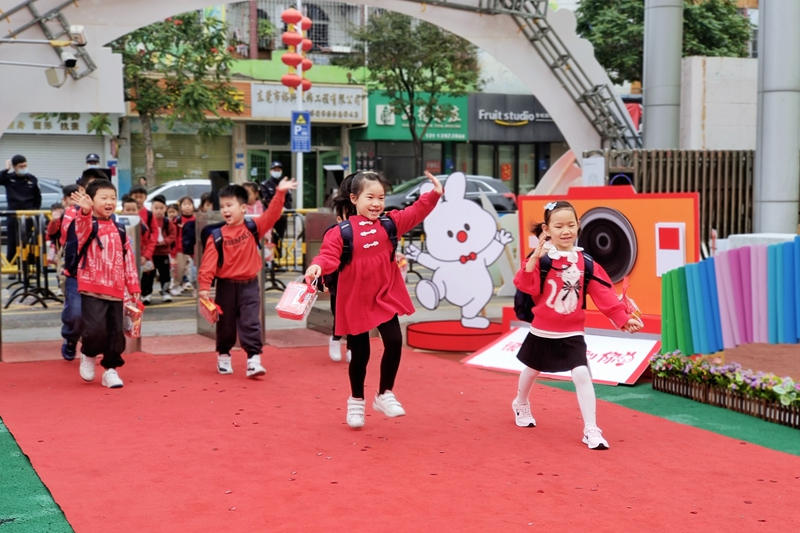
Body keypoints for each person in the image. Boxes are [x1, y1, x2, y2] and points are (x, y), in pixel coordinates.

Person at [305, 171, 443, 429]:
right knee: (360, 354)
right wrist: (317, 267)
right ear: (355, 199)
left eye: (381, 197)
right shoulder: (340, 232)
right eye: (370, 197)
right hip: (354, 300)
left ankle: (384, 394)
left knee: (394, 341)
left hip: (384, 296)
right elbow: (328, 256)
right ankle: (356, 401)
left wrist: (434, 194)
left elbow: (416, 211)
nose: (377, 203)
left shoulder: (390, 224)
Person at [511, 200, 643, 450]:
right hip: (542, 328)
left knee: (582, 373)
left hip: (572, 330)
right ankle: (521, 402)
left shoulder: (587, 263)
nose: (566, 230)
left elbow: (604, 294)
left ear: (579, 226)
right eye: (558, 225)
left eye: (571, 224)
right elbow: (526, 286)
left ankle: (591, 428)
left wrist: (624, 319)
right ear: (546, 229)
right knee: (532, 368)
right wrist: (533, 260)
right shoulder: (543, 260)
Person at [198, 179, 297, 378]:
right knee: (225, 324)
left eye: (230, 205)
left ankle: (254, 359)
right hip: (226, 286)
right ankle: (224, 356)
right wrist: (204, 287)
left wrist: (280, 193)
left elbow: (273, 214)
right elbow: (208, 263)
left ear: (243, 208)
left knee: (251, 321)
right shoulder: (216, 236)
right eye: (223, 206)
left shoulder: (254, 227)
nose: (225, 210)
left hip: (250, 285)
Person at [70, 181, 139, 388]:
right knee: (94, 330)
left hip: (117, 291)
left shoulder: (120, 228)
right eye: (104, 197)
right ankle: (89, 354)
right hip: (92, 289)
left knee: (115, 334)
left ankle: (111, 370)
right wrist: (84, 210)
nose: (109, 202)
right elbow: (80, 226)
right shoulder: (87, 225)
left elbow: (129, 259)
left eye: (112, 197)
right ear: (91, 200)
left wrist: (133, 287)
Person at [59, 169, 110, 361]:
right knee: (76, 314)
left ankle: (94, 350)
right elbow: (73, 235)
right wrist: (86, 213)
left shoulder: (109, 214)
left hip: (102, 275)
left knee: (102, 318)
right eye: (94, 187)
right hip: (77, 273)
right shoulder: (71, 213)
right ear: (82, 190)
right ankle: (71, 338)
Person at [1, 155, 42, 276]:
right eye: (21, 166)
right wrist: (6, 169)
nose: (24, 168)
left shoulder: (32, 179)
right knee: (13, 241)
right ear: (14, 167)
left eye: (25, 165)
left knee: (29, 242)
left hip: (29, 214)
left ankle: (30, 268)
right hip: (13, 214)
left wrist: (33, 211)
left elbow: (37, 198)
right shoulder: (8, 178)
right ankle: (12, 268)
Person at [140, 195, 174, 304]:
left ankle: (165, 292)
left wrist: (166, 241)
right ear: (152, 208)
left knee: (165, 274)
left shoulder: (167, 222)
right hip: (151, 253)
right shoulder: (149, 220)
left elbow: (173, 235)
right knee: (148, 274)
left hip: (163, 253)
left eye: (161, 208)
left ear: (165, 208)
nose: (159, 211)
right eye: (156, 208)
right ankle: (146, 294)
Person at [260, 162, 293, 256]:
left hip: (282, 216)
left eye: (279, 170)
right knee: (269, 238)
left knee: (280, 237)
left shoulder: (285, 184)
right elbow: (266, 199)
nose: (277, 172)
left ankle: (278, 260)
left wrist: (285, 207)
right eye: (275, 170)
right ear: (270, 171)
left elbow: (289, 199)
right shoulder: (265, 184)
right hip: (269, 217)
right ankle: (270, 261)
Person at [169, 196, 196, 296]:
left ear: (193, 206)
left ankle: (196, 287)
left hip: (193, 249)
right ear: (181, 207)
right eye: (185, 204)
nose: (187, 207)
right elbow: (173, 235)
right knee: (179, 269)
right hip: (180, 248)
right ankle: (175, 286)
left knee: (193, 270)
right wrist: (173, 250)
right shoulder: (177, 220)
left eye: (189, 204)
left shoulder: (196, 219)